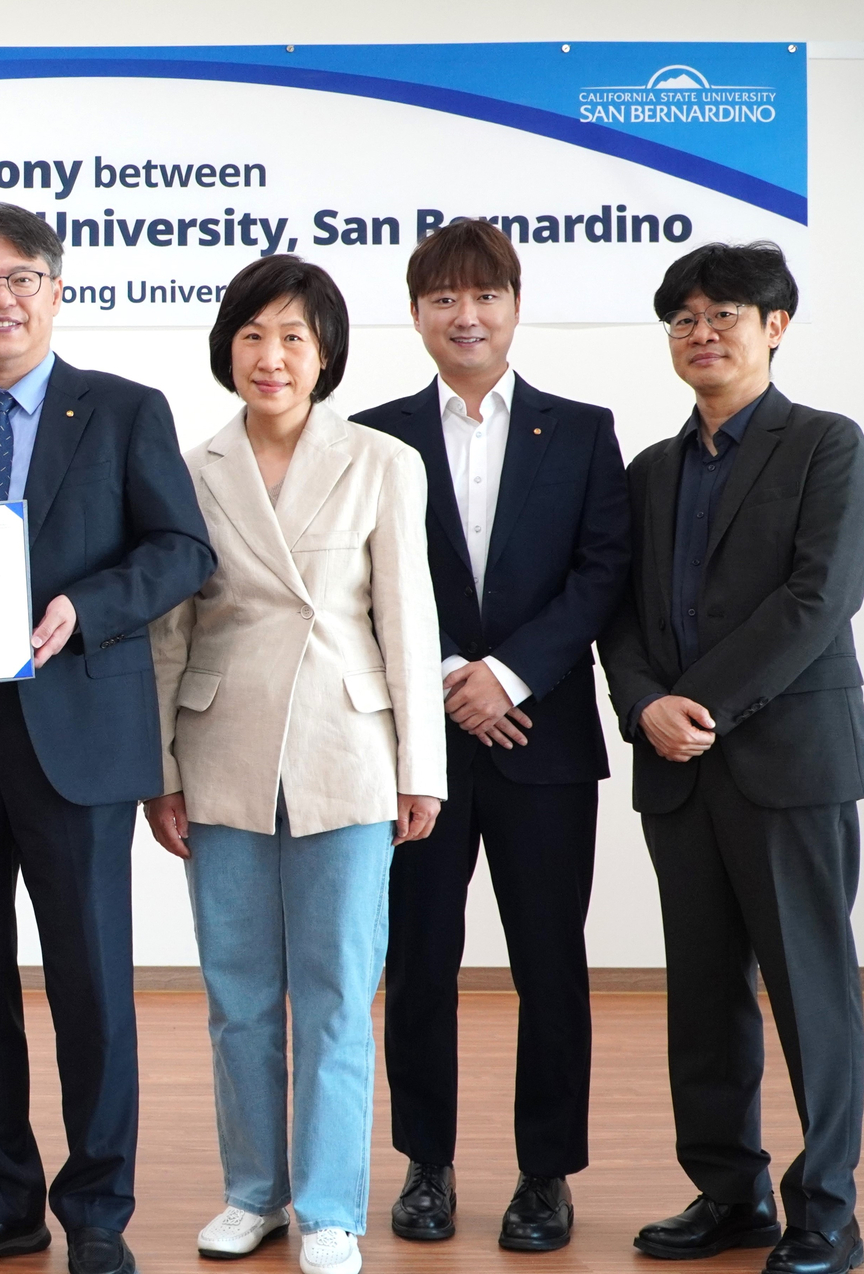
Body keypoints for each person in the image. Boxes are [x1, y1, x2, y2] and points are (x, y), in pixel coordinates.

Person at [0, 202, 215, 1274]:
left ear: (55, 292)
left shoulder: (121, 410)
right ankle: (0, 1199)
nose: (2, 298)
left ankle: (99, 1213)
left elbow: (181, 549)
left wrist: (85, 607)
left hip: (77, 741)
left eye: (21, 278)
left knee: (91, 986)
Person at [146, 254, 444, 1274]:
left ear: (324, 355)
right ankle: (252, 1194)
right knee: (236, 995)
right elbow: (169, 631)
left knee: (335, 993)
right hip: (219, 747)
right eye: (251, 336)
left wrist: (421, 765)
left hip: (345, 749)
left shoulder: (381, 462)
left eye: (292, 338)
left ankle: (327, 1209)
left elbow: (407, 619)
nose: (269, 357)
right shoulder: (189, 467)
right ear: (226, 349)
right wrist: (159, 769)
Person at [351, 219, 631, 1251]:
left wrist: (505, 674)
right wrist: (441, 678)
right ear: (415, 313)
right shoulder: (373, 435)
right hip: (416, 748)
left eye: (484, 296)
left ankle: (545, 1174)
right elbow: (356, 577)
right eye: (443, 299)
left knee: (548, 962)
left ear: (514, 305)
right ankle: (425, 1163)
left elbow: (602, 571)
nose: (464, 316)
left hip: (540, 738)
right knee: (418, 959)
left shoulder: (582, 429)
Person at [598, 242, 864, 1274]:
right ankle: (730, 1193)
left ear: (774, 327)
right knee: (703, 992)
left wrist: (697, 703)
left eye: (723, 315)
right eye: (683, 319)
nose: (701, 333)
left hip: (789, 761)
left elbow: (819, 597)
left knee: (811, 992)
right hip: (678, 770)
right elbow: (618, 615)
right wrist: (644, 707)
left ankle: (828, 1211)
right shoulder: (648, 472)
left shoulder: (824, 444)